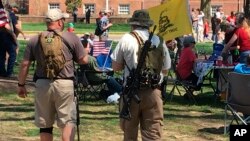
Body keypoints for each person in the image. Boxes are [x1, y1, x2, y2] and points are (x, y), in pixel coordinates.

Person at [17, 9, 88, 141]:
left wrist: (21, 84)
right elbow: (84, 60)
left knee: (45, 125)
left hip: (42, 84)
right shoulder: (71, 37)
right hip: (65, 84)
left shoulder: (35, 40)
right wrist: (85, 51)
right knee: (67, 121)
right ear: (60, 22)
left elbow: (25, 64)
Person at [111, 9, 171, 140]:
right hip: (153, 92)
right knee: (153, 133)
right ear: (148, 24)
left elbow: (115, 67)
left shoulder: (126, 38)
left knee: (129, 132)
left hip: (131, 92)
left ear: (133, 24)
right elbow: (166, 69)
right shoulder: (159, 41)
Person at [80, 38, 122, 103]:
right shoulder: (91, 59)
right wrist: (104, 70)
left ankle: (108, 93)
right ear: (84, 48)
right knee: (110, 78)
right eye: (88, 47)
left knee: (109, 78)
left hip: (86, 78)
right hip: (95, 77)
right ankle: (121, 90)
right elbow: (96, 70)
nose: (90, 48)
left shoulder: (80, 58)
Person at [0, 3, 18, 77]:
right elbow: (6, 26)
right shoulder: (3, 12)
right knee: (13, 54)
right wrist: (13, 36)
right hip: (6, 35)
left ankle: (2, 72)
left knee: (1, 55)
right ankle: (9, 72)